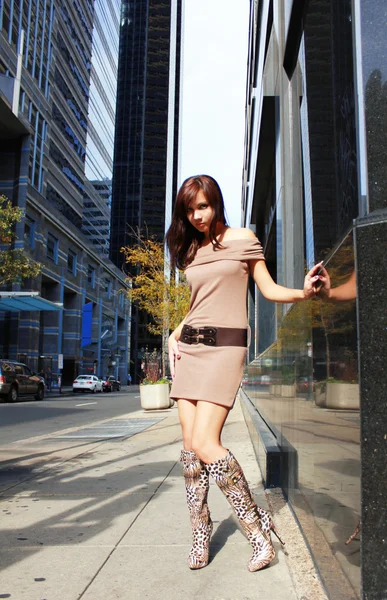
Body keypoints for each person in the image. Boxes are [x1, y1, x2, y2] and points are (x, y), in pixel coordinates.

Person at [166, 175, 322, 572]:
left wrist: (303, 292)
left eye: (203, 206)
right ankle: (200, 534)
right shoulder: (191, 250)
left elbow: (267, 290)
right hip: (190, 349)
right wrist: (176, 331)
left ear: (215, 203)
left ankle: (257, 530)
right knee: (189, 451)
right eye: (190, 209)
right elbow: (200, 302)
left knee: (205, 442)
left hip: (225, 349)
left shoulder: (243, 240)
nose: (198, 215)